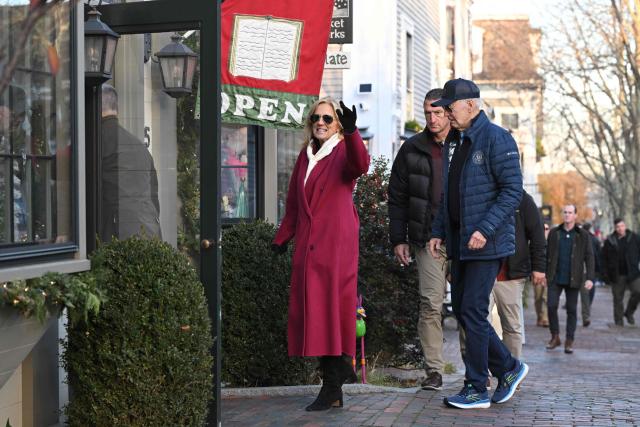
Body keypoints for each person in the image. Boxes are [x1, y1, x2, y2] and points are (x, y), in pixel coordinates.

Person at [429, 78, 527, 409]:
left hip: (487, 242)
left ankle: (476, 387)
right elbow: (450, 194)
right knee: (464, 310)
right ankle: (509, 368)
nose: (446, 113)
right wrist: (438, 230)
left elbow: (512, 190)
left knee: (471, 308)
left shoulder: (497, 139)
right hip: (460, 243)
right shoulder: (453, 142)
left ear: (471, 105)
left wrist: (484, 229)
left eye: (450, 107)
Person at [272, 97, 369, 411]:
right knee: (316, 314)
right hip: (310, 247)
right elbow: (295, 203)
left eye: (328, 118)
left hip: (335, 246)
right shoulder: (305, 156)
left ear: (337, 124)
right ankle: (336, 382)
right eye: (316, 117)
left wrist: (353, 134)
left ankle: (333, 383)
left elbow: (361, 166)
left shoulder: (342, 150)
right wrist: (282, 237)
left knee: (332, 312)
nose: (321, 123)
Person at [388, 88, 449, 391]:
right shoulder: (411, 149)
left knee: (471, 307)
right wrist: (399, 238)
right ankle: (434, 371)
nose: (432, 118)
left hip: (464, 239)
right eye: (427, 112)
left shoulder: (465, 145)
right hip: (426, 239)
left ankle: (480, 369)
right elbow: (396, 198)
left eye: (438, 112)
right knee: (430, 304)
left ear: (449, 112)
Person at [489, 190, 546, 359]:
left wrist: (539, 267)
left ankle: (512, 372)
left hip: (510, 275)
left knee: (512, 326)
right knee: (478, 325)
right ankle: (481, 373)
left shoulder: (523, 200)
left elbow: (537, 235)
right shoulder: (482, 192)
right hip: (482, 273)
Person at [101, 84, 161, 241]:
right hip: (150, 229)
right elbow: (153, 194)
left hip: (117, 233)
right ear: (117, 108)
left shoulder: (95, 141)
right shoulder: (138, 146)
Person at [545, 205, 595, 354]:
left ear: (575, 215)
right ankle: (555, 336)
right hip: (555, 276)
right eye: (565, 212)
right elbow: (546, 253)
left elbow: (589, 256)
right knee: (551, 306)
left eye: (570, 213)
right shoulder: (554, 233)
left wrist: (590, 278)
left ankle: (569, 340)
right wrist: (542, 273)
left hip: (574, 278)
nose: (567, 215)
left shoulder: (582, 234)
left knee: (571, 310)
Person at [602, 218, 640, 326]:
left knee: (638, 292)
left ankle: (629, 312)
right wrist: (605, 274)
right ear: (615, 228)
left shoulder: (634, 238)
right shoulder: (610, 240)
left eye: (622, 226)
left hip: (633, 272)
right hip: (617, 274)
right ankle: (619, 321)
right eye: (618, 227)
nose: (620, 229)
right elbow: (604, 258)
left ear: (625, 226)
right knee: (618, 298)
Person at [580, 222, 602, 327]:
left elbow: (597, 255)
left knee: (585, 295)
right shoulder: (593, 239)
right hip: (584, 271)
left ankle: (586, 316)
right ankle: (585, 315)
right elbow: (599, 255)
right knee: (586, 295)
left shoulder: (592, 239)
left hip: (586, 272)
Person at [534, 223, 551, 327]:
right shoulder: (535, 242)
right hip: (537, 274)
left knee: (546, 297)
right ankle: (540, 317)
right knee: (538, 298)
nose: (545, 230)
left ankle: (545, 318)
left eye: (547, 228)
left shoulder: (552, 243)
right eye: (543, 228)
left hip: (548, 274)